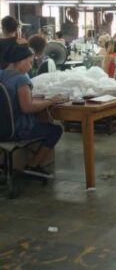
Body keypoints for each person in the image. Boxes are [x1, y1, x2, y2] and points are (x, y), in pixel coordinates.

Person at [0, 44, 64, 178]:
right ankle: (33, 165)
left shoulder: (1, 74)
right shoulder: (21, 79)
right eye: (30, 62)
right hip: (16, 130)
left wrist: (30, 96)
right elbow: (27, 107)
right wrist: (50, 101)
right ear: (21, 60)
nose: (30, 67)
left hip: (2, 128)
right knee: (55, 130)